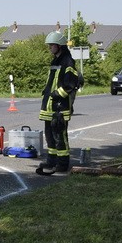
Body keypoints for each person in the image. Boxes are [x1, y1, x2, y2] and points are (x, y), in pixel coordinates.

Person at [36, 31, 79, 176]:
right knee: (50, 136)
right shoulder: (55, 61)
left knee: (60, 136)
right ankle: (52, 160)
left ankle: (62, 164)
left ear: (59, 46)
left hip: (60, 107)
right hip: (50, 106)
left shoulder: (68, 62)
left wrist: (56, 94)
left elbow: (70, 84)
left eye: (51, 45)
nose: (50, 48)